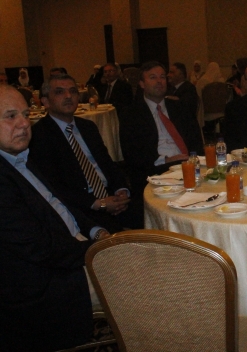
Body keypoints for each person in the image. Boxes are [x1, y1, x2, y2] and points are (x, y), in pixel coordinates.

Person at [0, 84, 110, 351]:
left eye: (26, 114)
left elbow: (62, 206)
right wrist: (99, 249)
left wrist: (95, 231)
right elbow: (40, 248)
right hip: (48, 283)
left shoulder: (21, 158)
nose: (24, 124)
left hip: (71, 250)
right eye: (11, 116)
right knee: (148, 278)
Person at [29, 74, 131, 232]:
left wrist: (121, 190)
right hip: (81, 208)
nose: (68, 96)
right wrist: (99, 203)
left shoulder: (88, 127)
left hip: (112, 196)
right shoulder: (39, 135)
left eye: (72, 91)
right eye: (60, 92)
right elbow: (53, 186)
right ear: (45, 101)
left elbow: (108, 164)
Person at [120, 61, 203, 227]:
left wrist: (194, 159)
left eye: (162, 77)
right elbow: (132, 154)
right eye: (153, 77)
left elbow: (196, 140)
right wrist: (165, 160)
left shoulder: (179, 107)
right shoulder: (131, 114)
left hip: (188, 165)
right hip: (156, 170)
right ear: (142, 84)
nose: (159, 81)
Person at [195, 62, 225, 129]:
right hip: (220, 111)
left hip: (205, 111)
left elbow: (197, 96)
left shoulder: (203, 81)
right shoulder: (222, 82)